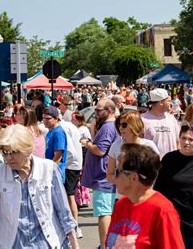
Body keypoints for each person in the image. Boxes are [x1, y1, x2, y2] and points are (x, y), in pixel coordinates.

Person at [0, 124, 79, 249]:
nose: (8, 158)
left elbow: (63, 210)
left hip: (47, 243)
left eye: (13, 152)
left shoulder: (48, 168)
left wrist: (74, 243)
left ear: (27, 149)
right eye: (5, 152)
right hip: (14, 243)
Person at [106, 144, 185, 248]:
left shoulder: (162, 210)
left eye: (117, 172)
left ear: (133, 178)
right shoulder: (121, 205)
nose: (113, 177)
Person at [80, 99, 121, 249]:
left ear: (109, 111)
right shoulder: (110, 126)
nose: (96, 113)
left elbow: (100, 150)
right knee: (106, 212)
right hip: (105, 176)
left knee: (104, 214)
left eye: (99, 110)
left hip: (103, 177)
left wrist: (87, 143)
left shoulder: (108, 127)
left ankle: (105, 245)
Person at [107, 111, 159, 190]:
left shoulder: (149, 145)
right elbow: (109, 174)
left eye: (124, 125)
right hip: (123, 195)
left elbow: (158, 171)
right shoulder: (115, 146)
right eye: (119, 125)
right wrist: (121, 181)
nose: (120, 128)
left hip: (143, 194)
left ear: (135, 125)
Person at [60, 118, 84, 239]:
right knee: (69, 197)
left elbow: (69, 151)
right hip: (74, 165)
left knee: (69, 197)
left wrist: (61, 166)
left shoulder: (62, 128)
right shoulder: (69, 125)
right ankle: (74, 227)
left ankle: (75, 227)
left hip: (70, 166)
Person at [141, 88, 180, 158]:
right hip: (153, 166)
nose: (171, 103)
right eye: (168, 101)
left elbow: (178, 141)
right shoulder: (142, 120)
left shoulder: (171, 118)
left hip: (173, 165)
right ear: (161, 102)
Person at [43, 106, 68, 182]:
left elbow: (58, 156)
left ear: (56, 118)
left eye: (48, 118)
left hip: (55, 175)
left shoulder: (58, 133)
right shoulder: (50, 131)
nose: (45, 121)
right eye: (43, 118)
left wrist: (49, 173)